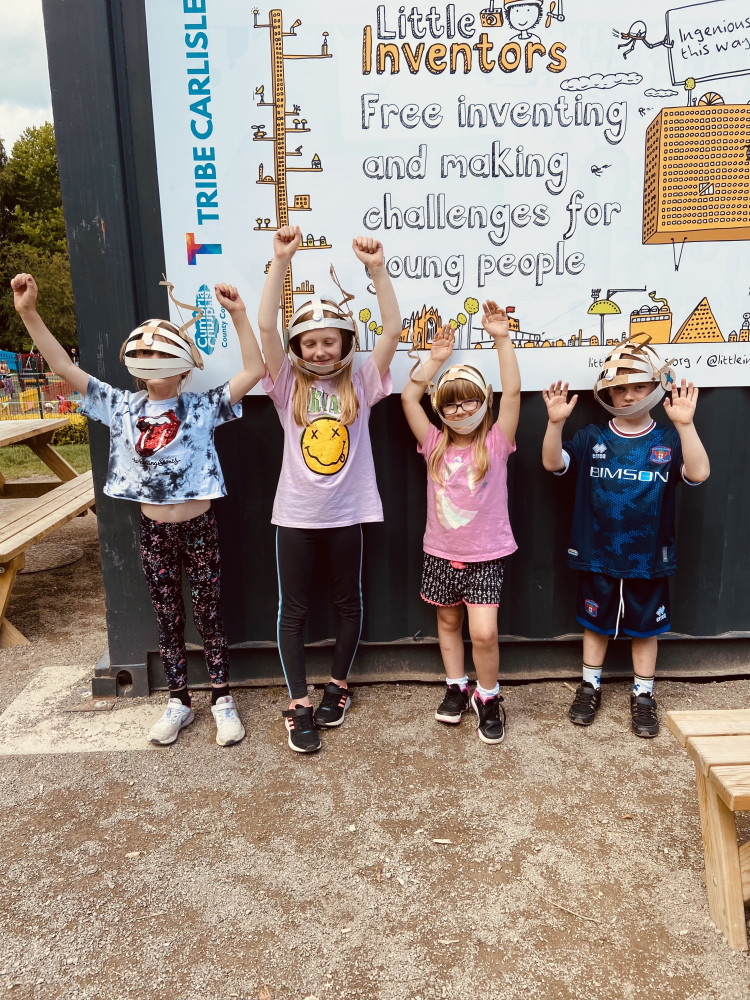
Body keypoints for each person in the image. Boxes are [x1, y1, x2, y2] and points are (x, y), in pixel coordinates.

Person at [11, 272, 265, 747]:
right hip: (154, 532)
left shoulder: (202, 406)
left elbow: (254, 371)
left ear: (184, 367)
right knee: (167, 617)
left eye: (163, 355)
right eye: (145, 356)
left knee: (209, 613)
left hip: (199, 527)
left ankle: (222, 699)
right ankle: (179, 701)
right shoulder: (120, 407)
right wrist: (29, 313)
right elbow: (63, 367)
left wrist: (238, 315)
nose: (153, 364)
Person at [258, 225, 402, 754]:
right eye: (310, 343)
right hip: (296, 517)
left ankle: (338, 686)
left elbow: (392, 330)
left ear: (344, 343)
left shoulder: (360, 383)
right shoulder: (287, 386)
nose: (319, 351)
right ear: (299, 347)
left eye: (328, 341)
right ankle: (298, 703)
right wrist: (280, 262)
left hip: (346, 515)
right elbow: (266, 329)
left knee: (348, 602)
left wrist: (377, 269)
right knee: (292, 611)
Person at [541, 337, 710, 737]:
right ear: (607, 392)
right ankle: (589, 686)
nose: (629, 395)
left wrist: (685, 425)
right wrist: (555, 423)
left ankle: (644, 694)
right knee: (595, 624)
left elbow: (699, 473)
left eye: (638, 386)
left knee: (646, 629)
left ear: (656, 387)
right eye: (620, 388)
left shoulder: (667, 440)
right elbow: (552, 463)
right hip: (598, 553)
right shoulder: (591, 437)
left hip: (647, 558)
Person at [401, 307, 520, 744]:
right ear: (441, 409)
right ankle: (456, 686)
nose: (460, 409)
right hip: (440, 553)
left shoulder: (497, 442)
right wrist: (435, 360)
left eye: (469, 399)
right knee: (448, 624)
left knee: (483, 633)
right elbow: (408, 399)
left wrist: (502, 339)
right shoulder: (432, 442)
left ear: (483, 401)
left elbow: (513, 393)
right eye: (451, 402)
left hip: (486, 555)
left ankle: (487, 696)